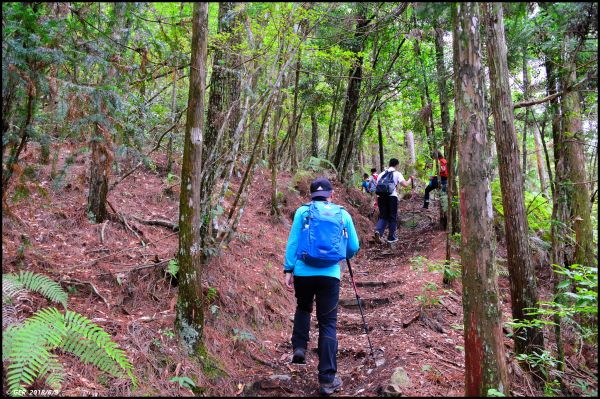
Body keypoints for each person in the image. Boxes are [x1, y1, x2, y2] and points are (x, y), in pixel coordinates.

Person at [283, 177, 360, 396]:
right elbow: (354, 246)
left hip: (303, 271)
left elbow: (293, 243)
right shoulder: (342, 214)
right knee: (328, 323)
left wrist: (288, 269)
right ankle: (327, 379)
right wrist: (343, 255)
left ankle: (299, 347)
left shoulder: (302, 212)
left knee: (303, 306)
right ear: (331, 194)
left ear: (311, 195)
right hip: (330, 275)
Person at [374, 158, 413, 243]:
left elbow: (377, 187)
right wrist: (410, 179)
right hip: (392, 197)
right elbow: (405, 184)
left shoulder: (381, 174)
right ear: (397, 165)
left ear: (389, 164)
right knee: (392, 216)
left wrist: (376, 200)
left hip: (381, 197)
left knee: (383, 215)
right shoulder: (397, 174)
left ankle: (378, 231)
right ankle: (391, 237)